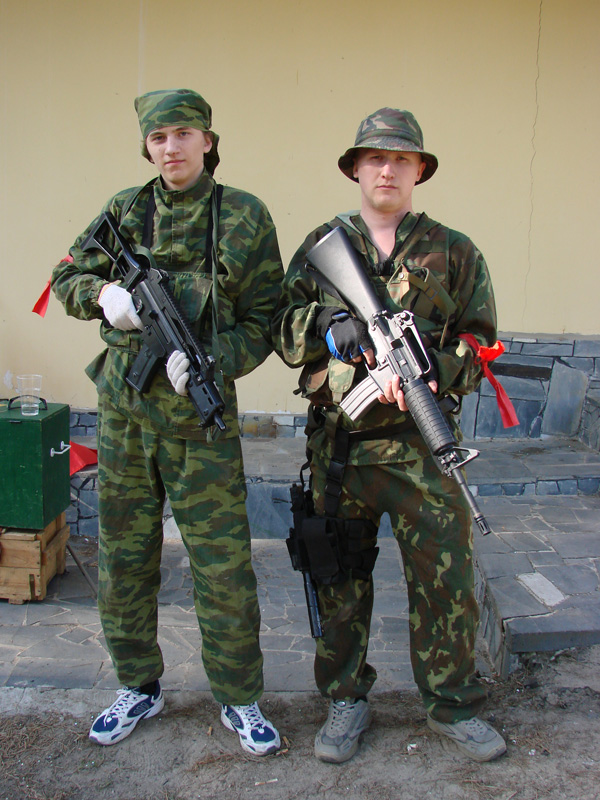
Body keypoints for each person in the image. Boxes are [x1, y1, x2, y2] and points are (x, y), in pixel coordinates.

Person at [52, 89, 284, 755]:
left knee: (223, 567)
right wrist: (104, 295)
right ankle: (138, 686)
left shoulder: (244, 215)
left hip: (201, 426)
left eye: (183, 133)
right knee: (125, 560)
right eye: (158, 137)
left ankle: (239, 696)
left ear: (208, 140)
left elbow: (268, 318)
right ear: (147, 146)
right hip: (126, 419)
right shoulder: (125, 210)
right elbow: (65, 277)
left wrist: (215, 358)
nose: (171, 147)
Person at [272, 108, 506, 764]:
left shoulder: (455, 252)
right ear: (355, 168)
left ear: (419, 170)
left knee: (446, 580)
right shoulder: (323, 244)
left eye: (401, 159)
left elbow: (482, 343)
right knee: (339, 581)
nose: (387, 169)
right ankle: (345, 699)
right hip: (341, 451)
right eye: (375, 157)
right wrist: (329, 328)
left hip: (422, 449)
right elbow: (281, 327)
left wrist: (431, 369)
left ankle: (453, 703)